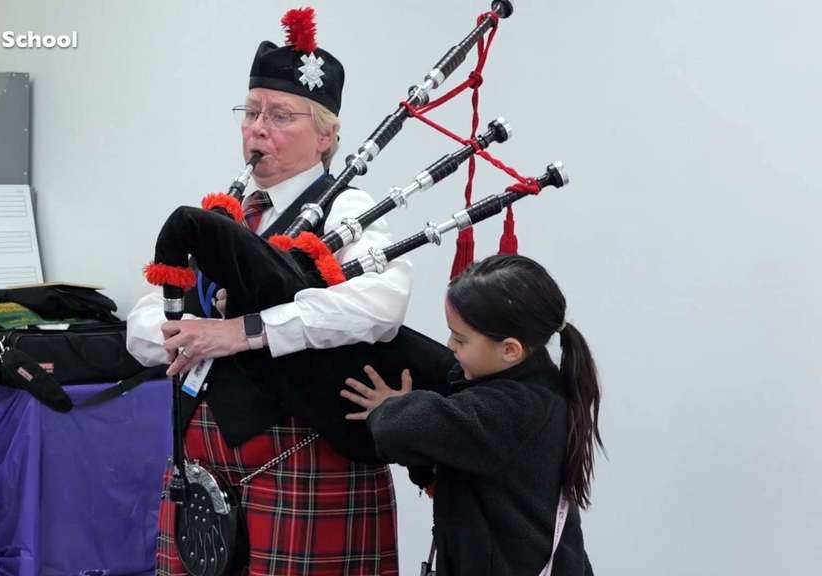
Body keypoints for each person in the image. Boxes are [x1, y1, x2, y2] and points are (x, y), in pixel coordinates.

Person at [126, 8, 409, 575]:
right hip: (202, 449)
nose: (258, 128)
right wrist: (180, 336)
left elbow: (380, 305)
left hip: (303, 448)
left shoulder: (349, 211)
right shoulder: (219, 217)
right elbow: (144, 317)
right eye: (251, 112)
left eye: (281, 115)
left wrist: (244, 332)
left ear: (327, 135)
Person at [342, 254, 601, 575]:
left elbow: (400, 430)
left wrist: (387, 406)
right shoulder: (539, 386)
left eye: (460, 338)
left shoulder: (513, 409)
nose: (450, 344)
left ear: (510, 350)